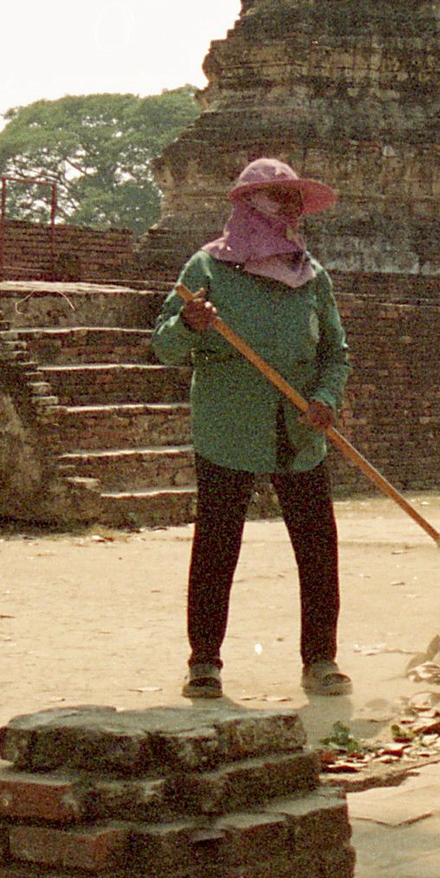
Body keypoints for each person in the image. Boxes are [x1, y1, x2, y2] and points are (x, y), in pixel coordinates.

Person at [151, 158, 354, 700]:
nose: (288, 211)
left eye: (293, 201)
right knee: (217, 547)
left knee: (318, 549)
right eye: (275, 199)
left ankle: (321, 659)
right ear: (246, 204)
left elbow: (336, 353)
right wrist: (189, 324)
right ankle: (204, 664)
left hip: (300, 428)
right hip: (228, 426)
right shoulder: (208, 270)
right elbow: (165, 346)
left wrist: (325, 397)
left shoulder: (312, 276)